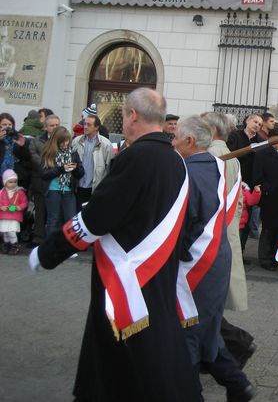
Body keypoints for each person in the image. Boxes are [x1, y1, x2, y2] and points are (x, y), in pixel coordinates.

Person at [29, 87, 202, 401]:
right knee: (156, 347)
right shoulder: (176, 160)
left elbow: (96, 217)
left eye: (123, 114)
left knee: (120, 356)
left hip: (126, 275)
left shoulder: (135, 156)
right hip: (159, 269)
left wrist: (47, 252)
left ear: (132, 115)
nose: (123, 120)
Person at [173, 116, 256, 402]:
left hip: (198, 261)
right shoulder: (214, 166)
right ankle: (237, 384)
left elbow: (185, 222)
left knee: (190, 332)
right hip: (216, 256)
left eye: (175, 138)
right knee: (205, 330)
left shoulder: (189, 173)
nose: (172, 143)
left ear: (189, 141)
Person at [202, 111, 258, 368]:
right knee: (205, 303)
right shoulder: (225, 153)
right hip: (223, 232)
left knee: (202, 305)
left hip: (211, 236)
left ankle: (235, 344)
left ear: (212, 129)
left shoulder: (214, 155)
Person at [252, 128, 278, 270]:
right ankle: (265, 259)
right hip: (270, 198)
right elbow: (257, 177)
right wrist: (267, 189)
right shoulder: (262, 154)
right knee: (269, 228)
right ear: (271, 140)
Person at [227, 114, 263, 249]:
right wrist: (248, 150)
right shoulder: (235, 136)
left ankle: (240, 250)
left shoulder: (260, 140)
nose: (257, 125)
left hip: (249, 183)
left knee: (246, 219)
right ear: (247, 121)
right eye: (255, 122)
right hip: (234, 180)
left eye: (260, 124)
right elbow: (230, 154)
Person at [41, 126, 84, 236]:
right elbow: (44, 175)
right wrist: (61, 169)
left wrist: (75, 168)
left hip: (68, 190)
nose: (65, 144)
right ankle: (51, 247)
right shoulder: (49, 153)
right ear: (56, 141)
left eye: (67, 141)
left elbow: (80, 174)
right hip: (52, 190)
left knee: (71, 220)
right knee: (53, 220)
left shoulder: (73, 153)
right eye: (62, 142)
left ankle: (68, 248)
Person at [28, 114, 60, 245]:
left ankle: (53, 238)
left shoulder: (63, 139)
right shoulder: (36, 141)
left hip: (57, 180)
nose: (55, 127)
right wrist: (48, 163)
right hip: (40, 179)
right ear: (45, 127)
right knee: (40, 210)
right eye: (52, 125)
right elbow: (33, 155)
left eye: (57, 125)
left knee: (55, 212)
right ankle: (38, 237)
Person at [71, 114, 113, 211]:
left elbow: (109, 168)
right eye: (85, 124)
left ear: (97, 127)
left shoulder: (106, 144)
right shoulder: (76, 141)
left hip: (95, 189)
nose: (85, 127)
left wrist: (104, 188)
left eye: (89, 125)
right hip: (78, 187)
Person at [0, 169, 28, 255]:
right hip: (4, 216)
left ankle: (14, 245)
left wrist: (19, 207)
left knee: (11, 231)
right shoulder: (1, 193)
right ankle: (6, 244)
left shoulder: (20, 192)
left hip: (14, 216)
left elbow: (25, 202)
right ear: (5, 183)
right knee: (5, 231)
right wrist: (1, 207)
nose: (13, 184)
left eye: (15, 182)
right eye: (10, 182)